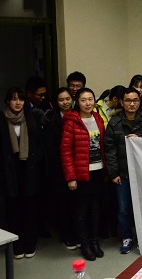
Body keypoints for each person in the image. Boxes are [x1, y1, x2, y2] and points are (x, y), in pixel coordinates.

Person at [0, 87, 44, 258]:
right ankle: (17, 244)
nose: (18, 103)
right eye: (14, 99)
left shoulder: (33, 117)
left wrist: (36, 161)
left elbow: (41, 145)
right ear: (7, 101)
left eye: (21, 99)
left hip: (30, 169)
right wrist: (1, 164)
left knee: (30, 207)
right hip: (10, 170)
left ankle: (30, 242)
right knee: (13, 208)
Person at [105, 87, 142, 254]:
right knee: (123, 209)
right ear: (122, 102)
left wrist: (140, 139)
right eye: (128, 100)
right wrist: (113, 173)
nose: (132, 104)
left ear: (139, 102)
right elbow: (109, 150)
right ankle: (127, 237)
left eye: (135, 100)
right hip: (123, 173)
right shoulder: (114, 122)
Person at [60, 88, 106, 261]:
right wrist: (71, 177)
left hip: (98, 171)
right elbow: (65, 151)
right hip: (80, 174)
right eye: (83, 100)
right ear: (77, 102)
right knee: (81, 212)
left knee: (95, 210)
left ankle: (95, 242)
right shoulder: (71, 121)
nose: (88, 103)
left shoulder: (98, 118)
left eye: (90, 99)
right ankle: (85, 245)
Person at [42, 87, 77, 250]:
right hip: (58, 168)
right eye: (61, 100)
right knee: (62, 203)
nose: (65, 102)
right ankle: (66, 235)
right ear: (56, 102)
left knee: (77, 203)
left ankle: (78, 233)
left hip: (77, 166)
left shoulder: (77, 115)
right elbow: (50, 147)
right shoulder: (51, 119)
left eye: (67, 99)